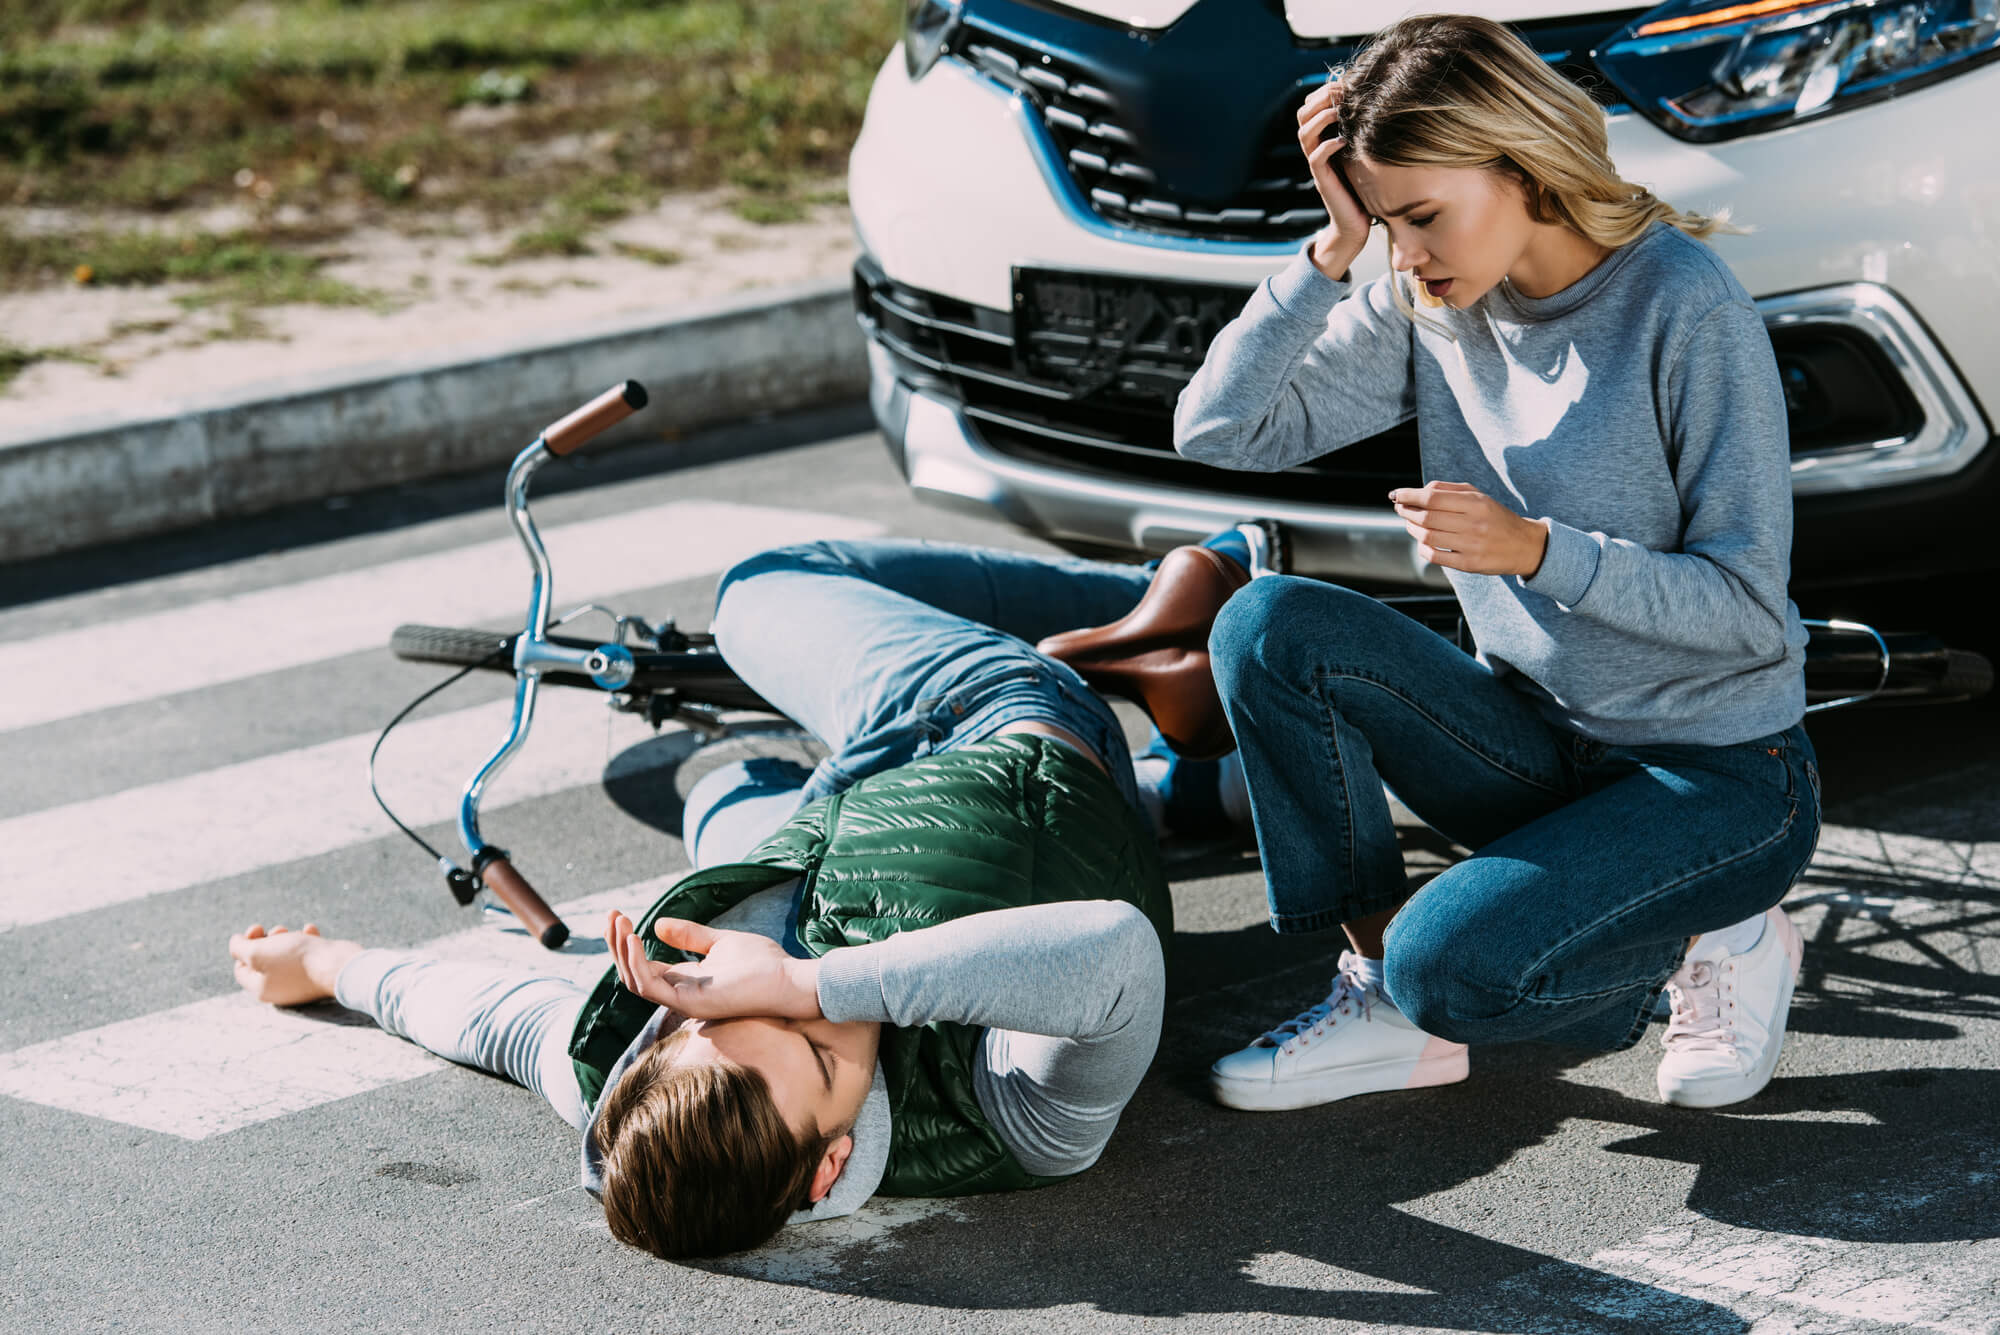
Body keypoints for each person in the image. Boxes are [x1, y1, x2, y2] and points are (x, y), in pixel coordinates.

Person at [230, 537, 1227, 1260]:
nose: (758, 998)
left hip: (840, 800)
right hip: (992, 718)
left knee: (723, 790)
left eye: (709, 1014)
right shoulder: (1015, 1125)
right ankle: (1161, 607)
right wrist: (806, 982)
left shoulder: (618, 1074)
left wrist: (326, 966)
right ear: (830, 1166)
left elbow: (490, 1021)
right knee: (764, 588)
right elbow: (1115, 956)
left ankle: (1186, 783)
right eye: (807, 1045)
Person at [1173, 15, 1821, 1113]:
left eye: (1420, 216)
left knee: (1456, 973)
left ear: (1516, 163)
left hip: (1717, 781)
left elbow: (1753, 617)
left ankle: (1719, 933)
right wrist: (1325, 258)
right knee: (1265, 624)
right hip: (1534, 747)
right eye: (1385, 222)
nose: (1407, 253)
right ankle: (1380, 998)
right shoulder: (1429, 306)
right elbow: (1219, 431)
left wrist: (1536, 553)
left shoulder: (1683, 305)